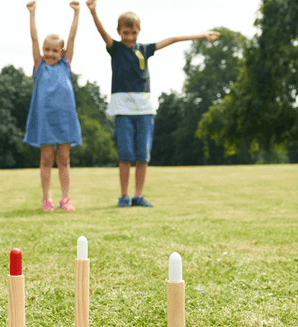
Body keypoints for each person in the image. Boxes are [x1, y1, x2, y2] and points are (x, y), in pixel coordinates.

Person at [86, 0, 220, 207]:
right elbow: (101, 32)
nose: (129, 38)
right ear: (119, 32)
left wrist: (202, 35)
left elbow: (174, 39)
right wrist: (93, 10)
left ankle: (138, 196)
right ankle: (124, 196)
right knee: (126, 155)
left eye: (133, 33)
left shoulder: (145, 49)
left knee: (142, 155)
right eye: (125, 33)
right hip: (123, 110)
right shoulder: (116, 49)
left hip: (145, 110)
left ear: (139, 31)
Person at [24, 1, 82, 212]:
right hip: (45, 121)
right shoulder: (39, 65)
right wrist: (32, 13)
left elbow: (73, 36)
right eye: (46, 50)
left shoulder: (66, 64)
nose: (49, 54)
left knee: (64, 159)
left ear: (62, 51)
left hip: (65, 120)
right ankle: (46, 198)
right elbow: (34, 38)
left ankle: (65, 199)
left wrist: (76, 13)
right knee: (46, 159)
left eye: (54, 51)